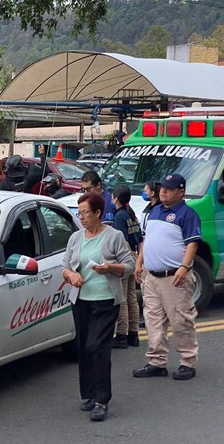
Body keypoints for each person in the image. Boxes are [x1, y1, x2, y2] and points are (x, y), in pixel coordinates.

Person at [62, 192, 135, 422]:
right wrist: (71, 276)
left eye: (85, 213)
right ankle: (89, 395)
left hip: (105, 301)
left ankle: (102, 400)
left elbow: (130, 265)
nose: (81, 217)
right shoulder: (75, 238)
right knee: (83, 348)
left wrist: (110, 267)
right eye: (78, 212)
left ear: (98, 213)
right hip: (81, 300)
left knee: (97, 347)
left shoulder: (114, 236)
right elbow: (65, 265)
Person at [133, 174, 200, 381]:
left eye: (169, 189)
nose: (163, 191)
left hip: (174, 277)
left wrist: (184, 266)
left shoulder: (187, 214)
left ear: (181, 191)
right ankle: (156, 361)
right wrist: (139, 262)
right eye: (162, 188)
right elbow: (147, 239)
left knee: (180, 320)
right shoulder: (154, 212)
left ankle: (187, 362)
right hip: (151, 276)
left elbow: (192, 243)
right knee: (153, 320)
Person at [111, 185, 143, 349]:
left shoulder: (119, 217)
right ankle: (134, 333)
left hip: (124, 256)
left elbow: (119, 240)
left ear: (116, 198)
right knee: (131, 295)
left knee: (121, 297)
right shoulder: (131, 215)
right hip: (134, 255)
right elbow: (139, 238)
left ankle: (122, 334)